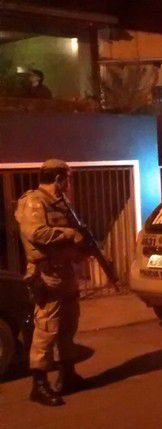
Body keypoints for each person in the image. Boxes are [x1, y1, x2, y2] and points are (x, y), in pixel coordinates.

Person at [15, 160, 89, 407]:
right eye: (67, 178)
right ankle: (39, 385)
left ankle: (68, 376)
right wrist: (69, 234)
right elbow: (37, 233)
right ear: (58, 178)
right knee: (47, 328)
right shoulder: (34, 201)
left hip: (64, 273)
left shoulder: (60, 203)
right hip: (46, 274)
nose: (69, 183)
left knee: (68, 324)